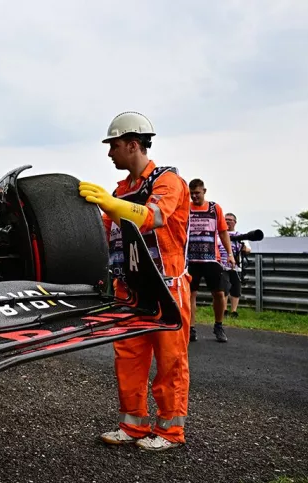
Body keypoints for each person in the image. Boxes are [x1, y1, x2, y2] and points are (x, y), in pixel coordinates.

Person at [78, 111, 192, 451]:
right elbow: (104, 231)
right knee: (128, 358)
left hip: (165, 286)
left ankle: (171, 431)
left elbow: (155, 216)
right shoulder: (121, 189)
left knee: (170, 361)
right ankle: (134, 425)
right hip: (129, 288)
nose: (110, 153)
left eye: (113, 146)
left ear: (132, 144)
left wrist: (113, 205)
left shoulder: (168, 181)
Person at [186, 179, 235, 343]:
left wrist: (230, 254)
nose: (194, 196)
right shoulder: (185, 208)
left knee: (219, 293)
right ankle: (191, 328)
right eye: (191, 193)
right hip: (191, 259)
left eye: (197, 193)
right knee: (190, 294)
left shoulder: (215, 208)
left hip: (212, 259)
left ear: (204, 191)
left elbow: (223, 232)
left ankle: (218, 325)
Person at [218, 212, 249, 318]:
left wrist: (243, 247)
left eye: (230, 220)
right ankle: (224, 310)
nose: (227, 221)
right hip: (222, 266)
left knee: (236, 289)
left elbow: (248, 250)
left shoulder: (240, 235)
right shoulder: (219, 235)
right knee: (224, 288)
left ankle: (234, 311)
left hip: (236, 267)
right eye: (225, 219)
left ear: (235, 222)